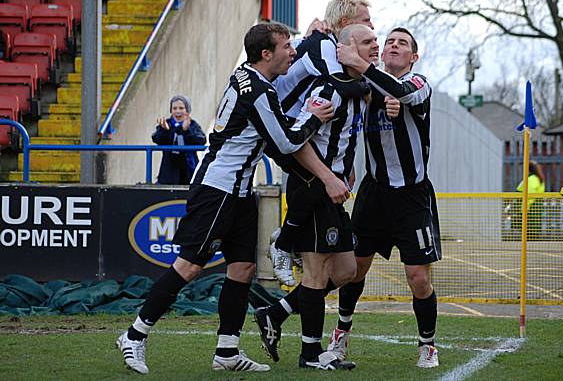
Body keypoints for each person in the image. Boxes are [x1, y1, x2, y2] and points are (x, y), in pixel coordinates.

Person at [115, 23, 334, 375]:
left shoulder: (247, 75)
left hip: (240, 191)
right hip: (218, 189)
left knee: (243, 268)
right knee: (189, 266)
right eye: (287, 46)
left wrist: (311, 36)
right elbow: (286, 143)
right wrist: (314, 118)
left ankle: (227, 352)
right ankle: (134, 335)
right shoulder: (258, 92)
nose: (292, 53)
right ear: (266, 54)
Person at [254, 24, 401, 370]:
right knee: (317, 274)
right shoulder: (328, 89)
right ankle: (311, 354)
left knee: (348, 269)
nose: (376, 47)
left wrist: (344, 170)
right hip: (313, 187)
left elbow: (377, 94)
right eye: (368, 42)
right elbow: (297, 142)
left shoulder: (359, 87)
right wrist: (327, 177)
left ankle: (275, 313)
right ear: (347, 47)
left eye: (376, 41)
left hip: (333, 188)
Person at [269, 0, 425, 285]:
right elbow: (344, 84)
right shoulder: (324, 46)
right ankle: (285, 240)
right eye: (366, 22)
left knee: (324, 181)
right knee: (317, 176)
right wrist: (375, 91)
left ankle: (290, 236)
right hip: (278, 123)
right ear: (345, 23)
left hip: (294, 124)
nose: (373, 29)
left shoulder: (326, 42)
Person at [317, 27, 441, 369]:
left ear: (413, 57)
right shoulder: (366, 89)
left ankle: (427, 344)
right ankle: (340, 333)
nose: (394, 45)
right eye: (389, 42)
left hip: (412, 195)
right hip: (373, 194)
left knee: (418, 278)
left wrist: (362, 65)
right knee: (353, 270)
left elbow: (401, 91)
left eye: (403, 43)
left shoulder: (418, 83)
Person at [152, 95, 206, 185]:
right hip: (169, 172)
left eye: (181, 108)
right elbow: (157, 139)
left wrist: (186, 131)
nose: (178, 111)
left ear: (187, 111)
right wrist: (166, 131)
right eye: (174, 108)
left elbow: (201, 140)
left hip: (189, 171)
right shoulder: (166, 124)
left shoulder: (192, 125)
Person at [514, 161, 546, 239]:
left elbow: (530, 195)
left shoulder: (531, 179)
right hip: (534, 207)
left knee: (529, 230)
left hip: (530, 208)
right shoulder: (537, 178)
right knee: (533, 229)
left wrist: (525, 208)